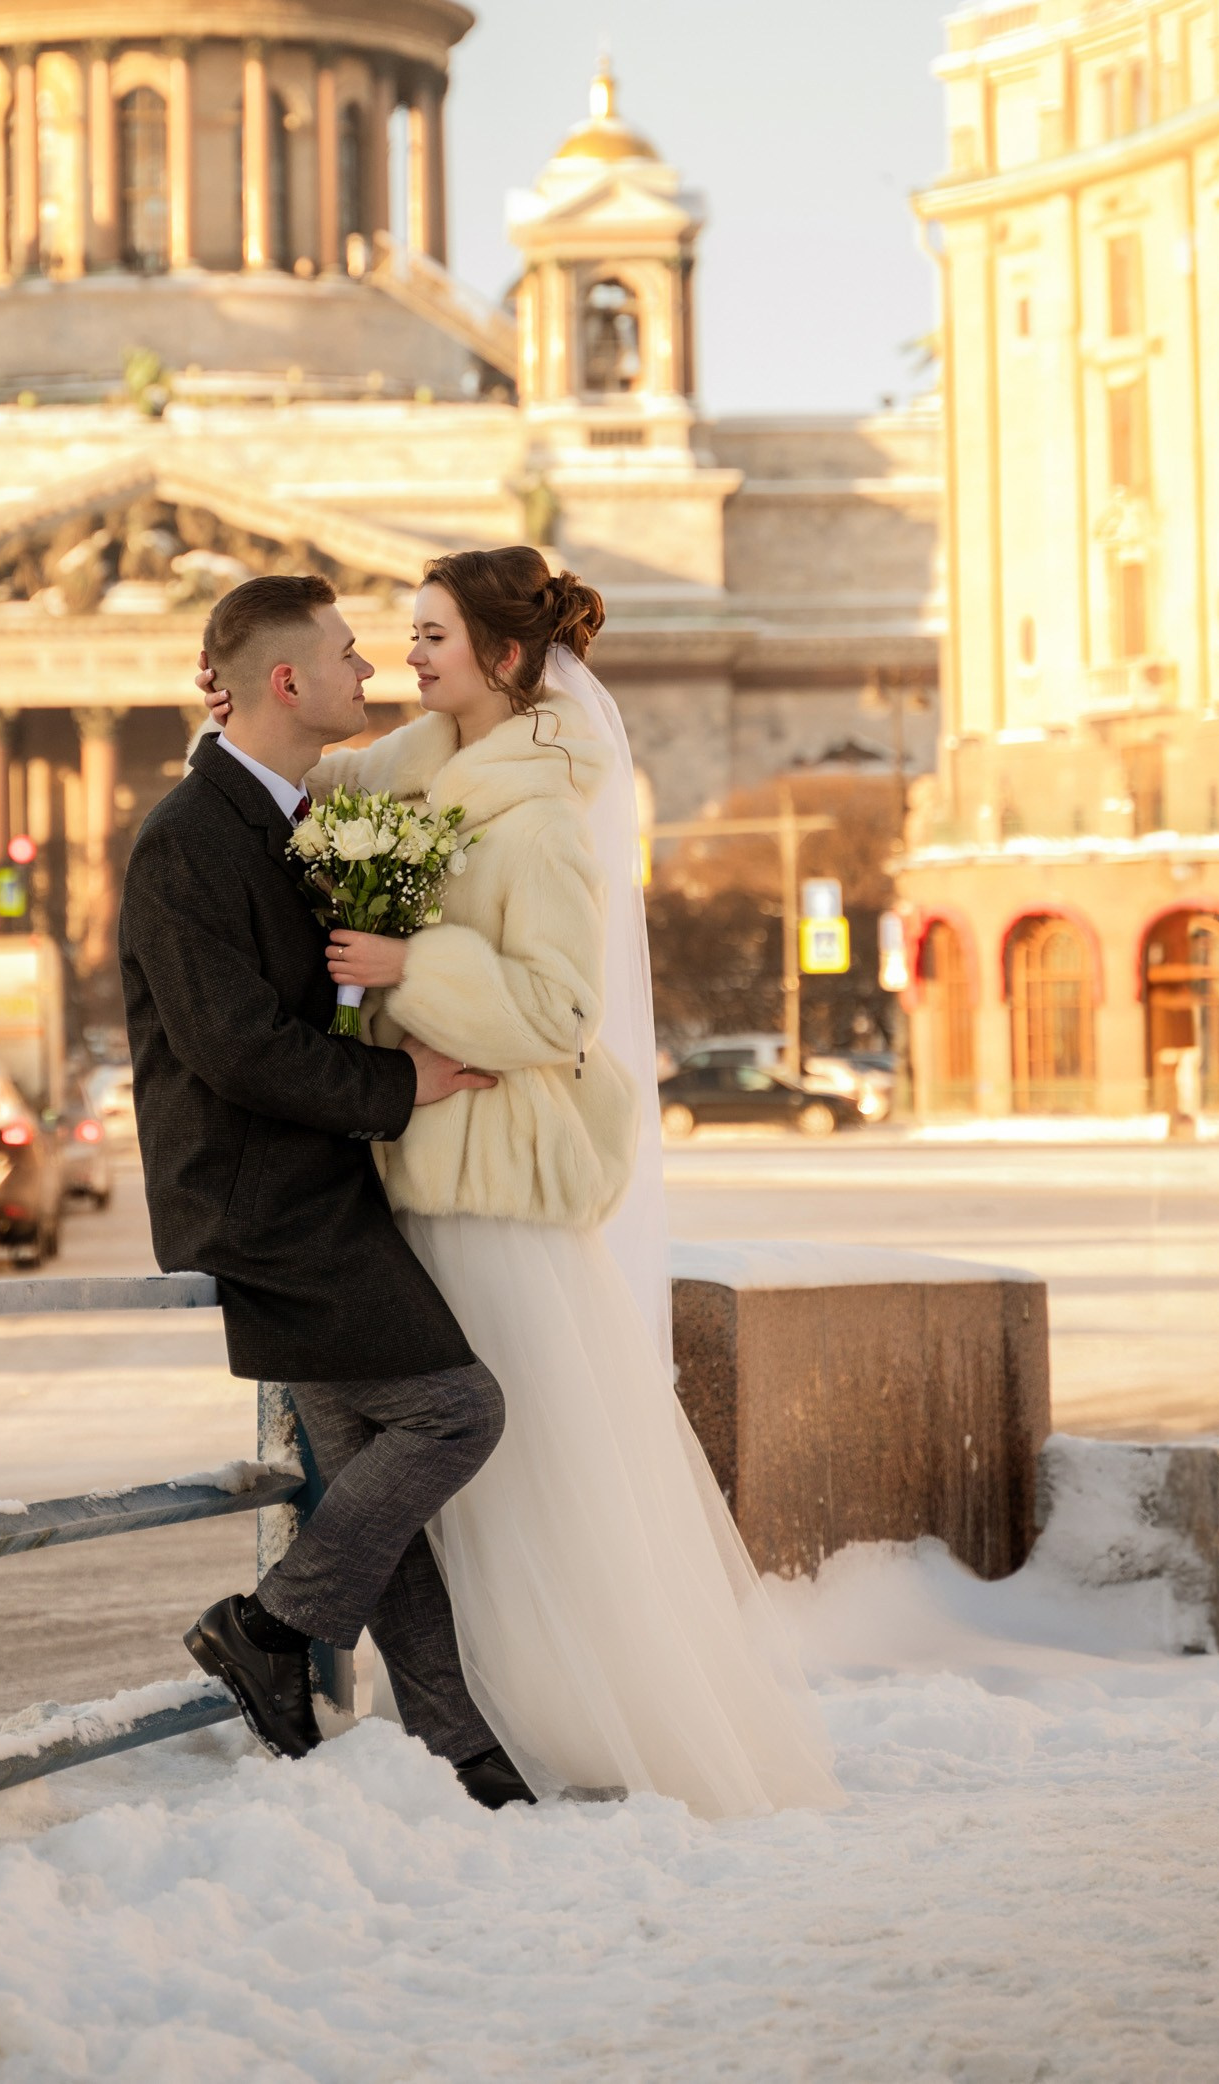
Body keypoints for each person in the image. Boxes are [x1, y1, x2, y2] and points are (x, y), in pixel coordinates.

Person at [292, 545, 841, 1816]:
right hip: (420, 1176)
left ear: (500, 657)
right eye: (406, 632)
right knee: (469, 1485)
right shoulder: (412, 776)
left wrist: (404, 965)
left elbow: (555, 1010)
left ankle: (567, 1721)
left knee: (525, 1479)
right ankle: (477, 1719)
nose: (406, 655)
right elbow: (302, 778)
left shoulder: (534, 812)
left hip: (491, 1197)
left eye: (431, 636)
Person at [118, 572, 535, 1808]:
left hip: (312, 1184)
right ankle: (266, 1621)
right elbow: (234, 1045)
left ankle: (460, 1757)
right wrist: (399, 1084)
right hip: (259, 1200)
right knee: (455, 1413)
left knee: (372, 1485)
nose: (370, 672)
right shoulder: (185, 839)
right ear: (285, 680)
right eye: (348, 654)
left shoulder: (287, 817)